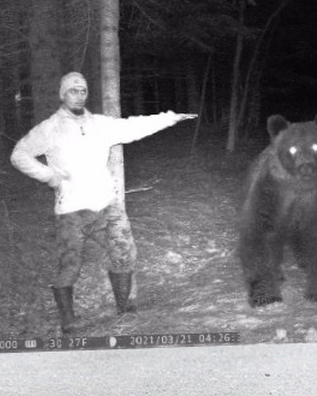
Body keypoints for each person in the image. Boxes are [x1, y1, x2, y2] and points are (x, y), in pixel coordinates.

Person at [10, 72, 196, 334]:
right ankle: (68, 321)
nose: (79, 95)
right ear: (63, 94)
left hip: (106, 205)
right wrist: (49, 175)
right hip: (70, 210)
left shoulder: (100, 124)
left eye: (83, 90)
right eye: (73, 90)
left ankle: (124, 309)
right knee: (69, 265)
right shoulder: (49, 128)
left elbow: (134, 127)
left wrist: (170, 118)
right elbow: (19, 154)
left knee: (124, 253)